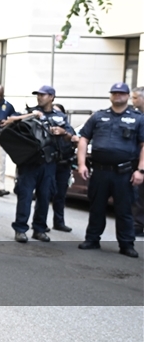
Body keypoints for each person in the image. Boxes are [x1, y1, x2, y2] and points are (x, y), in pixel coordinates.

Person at [76, 82, 144, 258]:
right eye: (114, 93)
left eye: (121, 93)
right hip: (100, 171)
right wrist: (82, 164)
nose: (117, 96)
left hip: (124, 173)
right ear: (110, 95)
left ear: (128, 96)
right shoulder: (98, 116)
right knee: (97, 207)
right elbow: (83, 139)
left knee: (124, 210)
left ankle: (126, 244)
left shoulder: (138, 118)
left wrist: (141, 171)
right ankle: (92, 239)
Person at [5, 85, 77, 243]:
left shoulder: (60, 116)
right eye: (38, 95)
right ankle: (20, 229)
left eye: (43, 95)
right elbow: (9, 120)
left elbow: (70, 137)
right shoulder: (30, 111)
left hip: (49, 162)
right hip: (30, 161)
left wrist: (63, 132)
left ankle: (39, 229)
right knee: (25, 196)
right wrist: (32, 115)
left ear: (52, 97)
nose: (39, 97)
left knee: (45, 196)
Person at [50, 102, 76, 232]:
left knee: (60, 195)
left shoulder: (68, 128)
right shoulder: (45, 127)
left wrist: (64, 132)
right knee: (44, 194)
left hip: (64, 165)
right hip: (49, 164)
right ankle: (40, 224)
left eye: (58, 113)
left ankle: (59, 222)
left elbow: (74, 140)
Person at [132, 87, 144, 237]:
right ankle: (137, 225)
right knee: (139, 195)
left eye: (135, 98)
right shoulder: (135, 116)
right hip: (137, 159)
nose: (133, 101)